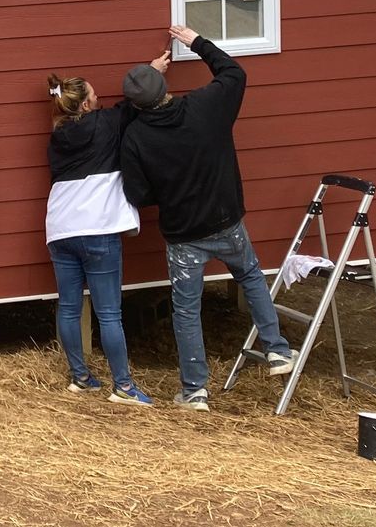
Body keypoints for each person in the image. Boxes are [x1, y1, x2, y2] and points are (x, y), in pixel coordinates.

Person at [118, 25, 293, 411]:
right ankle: (278, 351)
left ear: (138, 104)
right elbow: (234, 73)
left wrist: (149, 81)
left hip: (184, 234)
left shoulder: (135, 138)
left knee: (186, 308)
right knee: (249, 275)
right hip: (226, 220)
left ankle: (195, 391)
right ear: (164, 92)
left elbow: (138, 195)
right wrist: (196, 42)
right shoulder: (204, 107)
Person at [43, 64, 164, 406]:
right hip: (97, 229)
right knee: (109, 313)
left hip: (60, 229)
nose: (100, 98)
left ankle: (80, 378)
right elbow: (133, 104)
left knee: (69, 307)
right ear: (84, 105)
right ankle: (123, 387)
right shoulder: (106, 123)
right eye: (95, 95)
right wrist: (152, 70)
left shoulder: (56, 138)